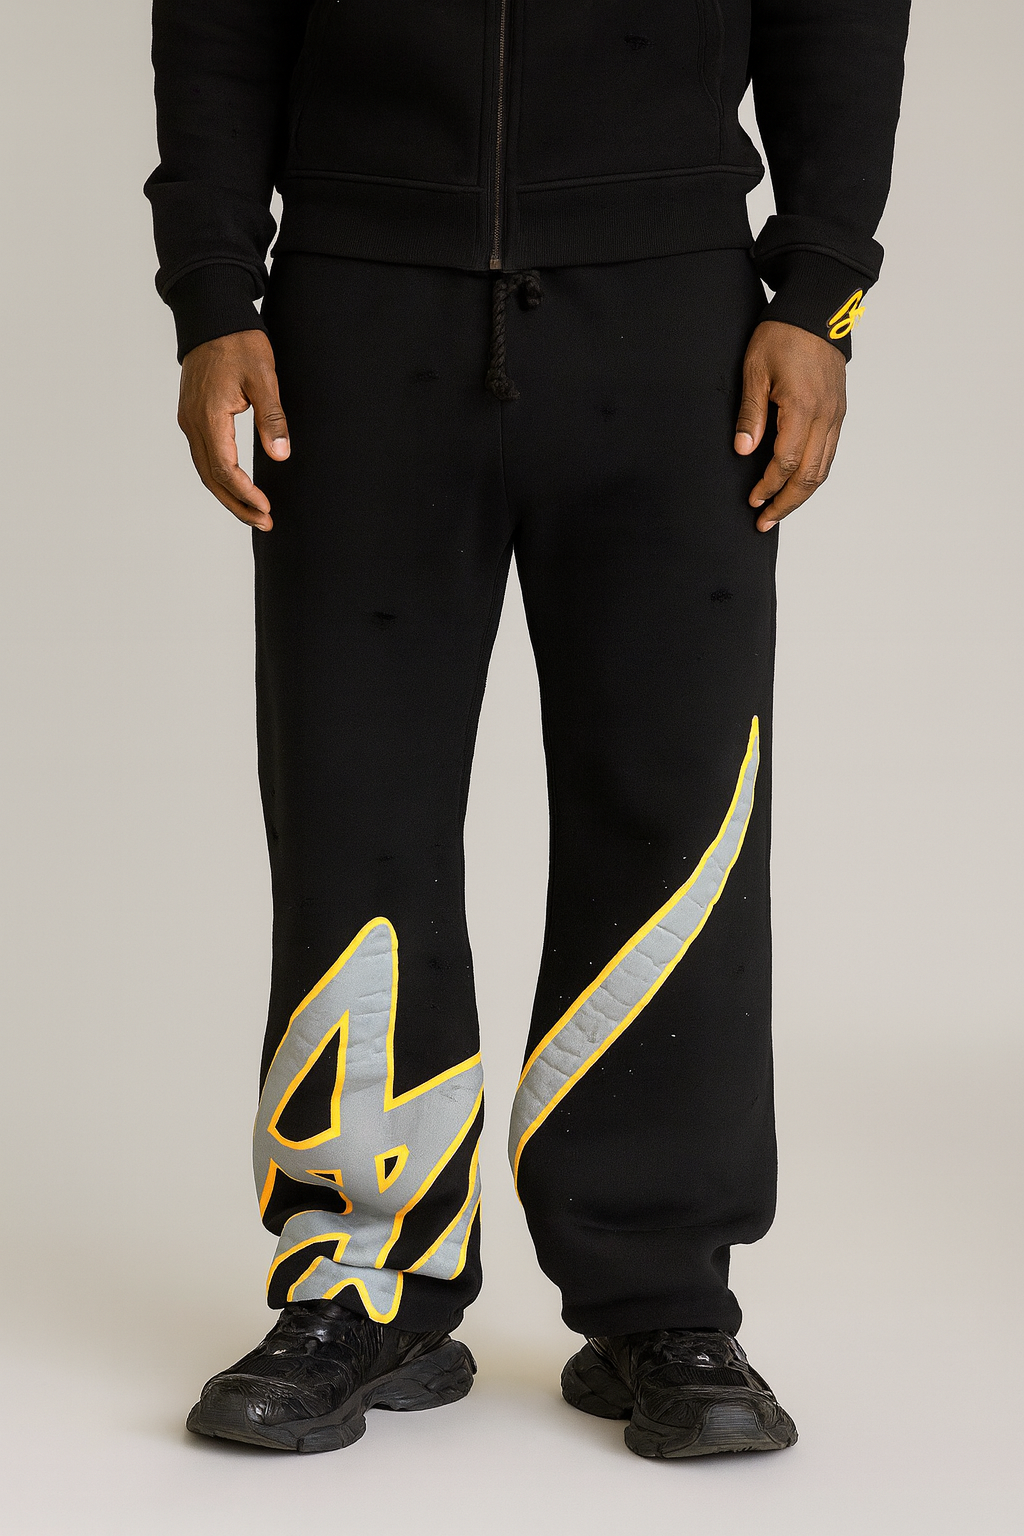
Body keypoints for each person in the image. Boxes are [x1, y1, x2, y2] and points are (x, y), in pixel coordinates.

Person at [144, 0, 911, 1460]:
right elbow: (218, 20)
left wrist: (820, 294)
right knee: (352, 802)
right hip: (358, 307)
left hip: (673, 317)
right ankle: (362, 1280)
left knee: (676, 802)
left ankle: (661, 1298)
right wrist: (214, 293)